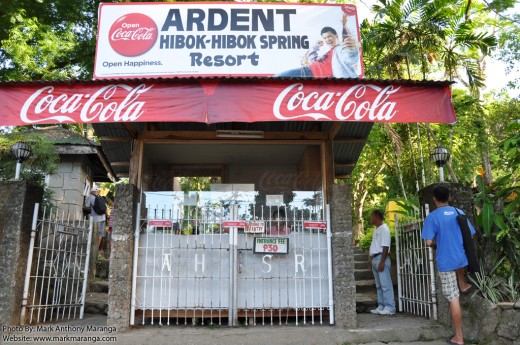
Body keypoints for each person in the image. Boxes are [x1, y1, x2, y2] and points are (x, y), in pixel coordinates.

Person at [421, 184, 475, 345]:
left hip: (445, 261)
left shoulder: (432, 217)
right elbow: (470, 236)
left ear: (434, 199)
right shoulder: (460, 212)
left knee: (453, 298)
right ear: (449, 197)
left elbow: (428, 242)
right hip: (461, 259)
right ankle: (463, 284)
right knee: (459, 271)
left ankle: (459, 337)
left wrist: (439, 244)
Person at [276, 16, 360, 78]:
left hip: (312, 75)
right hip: (308, 71)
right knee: (277, 79)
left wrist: (352, 50)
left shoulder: (340, 49)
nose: (327, 39)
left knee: (278, 78)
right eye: (325, 38)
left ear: (336, 36)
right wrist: (315, 47)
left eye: (329, 36)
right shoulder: (330, 52)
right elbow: (313, 59)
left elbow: (350, 58)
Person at [369, 210, 396, 315]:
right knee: (379, 285)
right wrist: (371, 261)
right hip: (376, 259)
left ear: (376, 216)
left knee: (386, 285)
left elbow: (385, 246)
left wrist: (382, 261)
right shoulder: (376, 229)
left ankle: (390, 307)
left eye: (372, 216)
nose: (370, 219)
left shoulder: (384, 229)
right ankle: (381, 306)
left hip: (381, 258)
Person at [85, 185, 107, 253]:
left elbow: (86, 206)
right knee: (100, 234)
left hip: (95, 219)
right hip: (103, 218)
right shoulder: (101, 197)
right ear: (97, 192)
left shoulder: (90, 197)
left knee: (93, 233)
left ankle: (94, 250)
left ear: (91, 191)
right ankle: (97, 249)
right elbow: (105, 209)